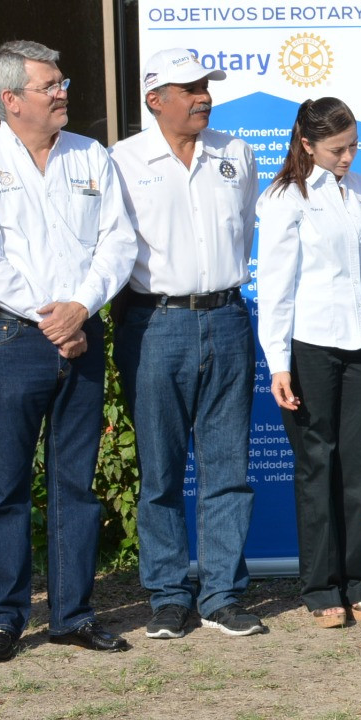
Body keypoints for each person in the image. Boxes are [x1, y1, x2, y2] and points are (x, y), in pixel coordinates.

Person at [0, 41, 137, 661]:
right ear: (12, 100)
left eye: (62, 81)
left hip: (82, 332)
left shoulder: (91, 156)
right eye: (49, 85)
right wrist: (53, 319)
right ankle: (1, 620)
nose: (63, 93)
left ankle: (72, 615)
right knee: (6, 484)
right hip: (12, 338)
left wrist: (81, 308)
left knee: (75, 483)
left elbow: (119, 242)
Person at [110, 48, 265, 639]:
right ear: (155, 99)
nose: (202, 95)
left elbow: (246, 228)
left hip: (227, 317)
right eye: (188, 87)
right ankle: (169, 595)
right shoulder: (121, 160)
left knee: (229, 467)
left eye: (205, 85)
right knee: (162, 469)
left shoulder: (237, 152)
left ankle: (222, 594)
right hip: (154, 325)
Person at [255, 98, 361, 628]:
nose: (348, 156)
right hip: (310, 345)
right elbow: (275, 286)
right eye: (338, 148)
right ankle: (319, 588)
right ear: (308, 144)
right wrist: (278, 363)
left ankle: (355, 582)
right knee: (318, 464)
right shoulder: (285, 197)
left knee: (359, 465)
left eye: (354, 145)